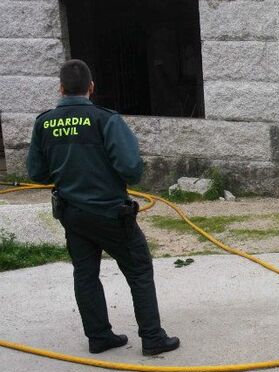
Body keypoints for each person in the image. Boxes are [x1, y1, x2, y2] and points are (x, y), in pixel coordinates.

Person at [26, 59, 179, 356]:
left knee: (85, 274)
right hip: (110, 213)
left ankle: (99, 337)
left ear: (60, 88)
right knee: (139, 270)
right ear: (91, 87)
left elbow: (37, 173)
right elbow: (131, 168)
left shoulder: (44, 122)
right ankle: (152, 338)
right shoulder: (105, 119)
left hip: (72, 214)